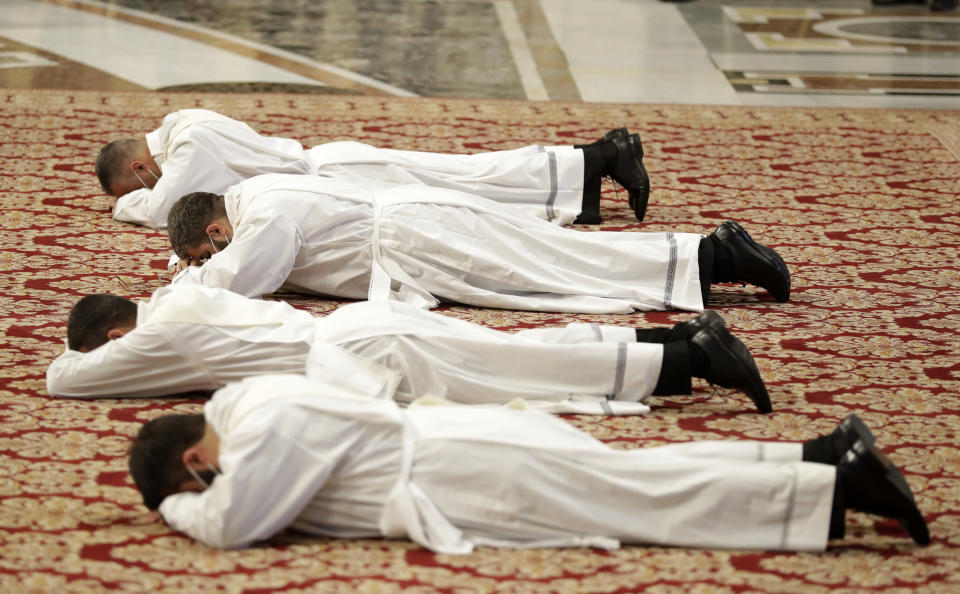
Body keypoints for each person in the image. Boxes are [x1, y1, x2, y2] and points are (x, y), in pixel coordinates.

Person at [128, 374, 930, 552]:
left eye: (199, 480)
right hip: (463, 451)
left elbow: (233, 526)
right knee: (637, 478)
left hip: (463, 470)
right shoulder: (252, 401)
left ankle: (835, 486)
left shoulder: (262, 432)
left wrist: (176, 510)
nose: (211, 486)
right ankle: (819, 457)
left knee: (646, 503)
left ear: (197, 460)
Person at [47, 284, 772, 413]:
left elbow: (65, 381)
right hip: (361, 329)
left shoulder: (163, 334)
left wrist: (82, 354)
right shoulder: (179, 298)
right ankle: (677, 339)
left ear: (118, 335)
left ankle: (694, 359)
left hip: (362, 356)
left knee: (527, 368)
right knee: (523, 350)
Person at [165, 174, 790, 314]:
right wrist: (188, 261)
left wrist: (191, 279)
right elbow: (226, 258)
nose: (200, 264)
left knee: (558, 269)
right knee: (556, 259)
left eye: (201, 253)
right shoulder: (249, 196)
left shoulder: (265, 217)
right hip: (421, 225)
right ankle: (710, 256)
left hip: (422, 239)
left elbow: (239, 281)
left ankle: (716, 254)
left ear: (218, 231)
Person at [95, 108, 649, 228]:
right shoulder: (182, 120)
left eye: (139, 179)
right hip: (330, 165)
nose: (148, 184)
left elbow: (167, 207)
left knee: (470, 183)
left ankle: (601, 160)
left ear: (141, 164)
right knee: (467, 178)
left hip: (331, 175)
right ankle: (600, 158)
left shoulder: (186, 148)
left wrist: (127, 203)